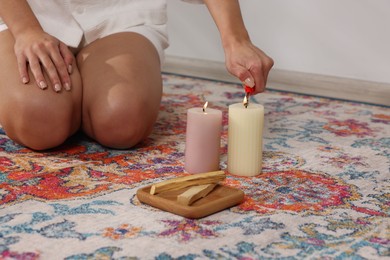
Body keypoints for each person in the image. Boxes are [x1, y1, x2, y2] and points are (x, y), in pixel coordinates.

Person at [0, 0, 273, 151]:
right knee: (39, 120)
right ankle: (74, 99)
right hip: (30, 13)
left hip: (119, 13)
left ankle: (87, 96)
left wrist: (235, 39)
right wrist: (26, 31)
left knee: (121, 120)